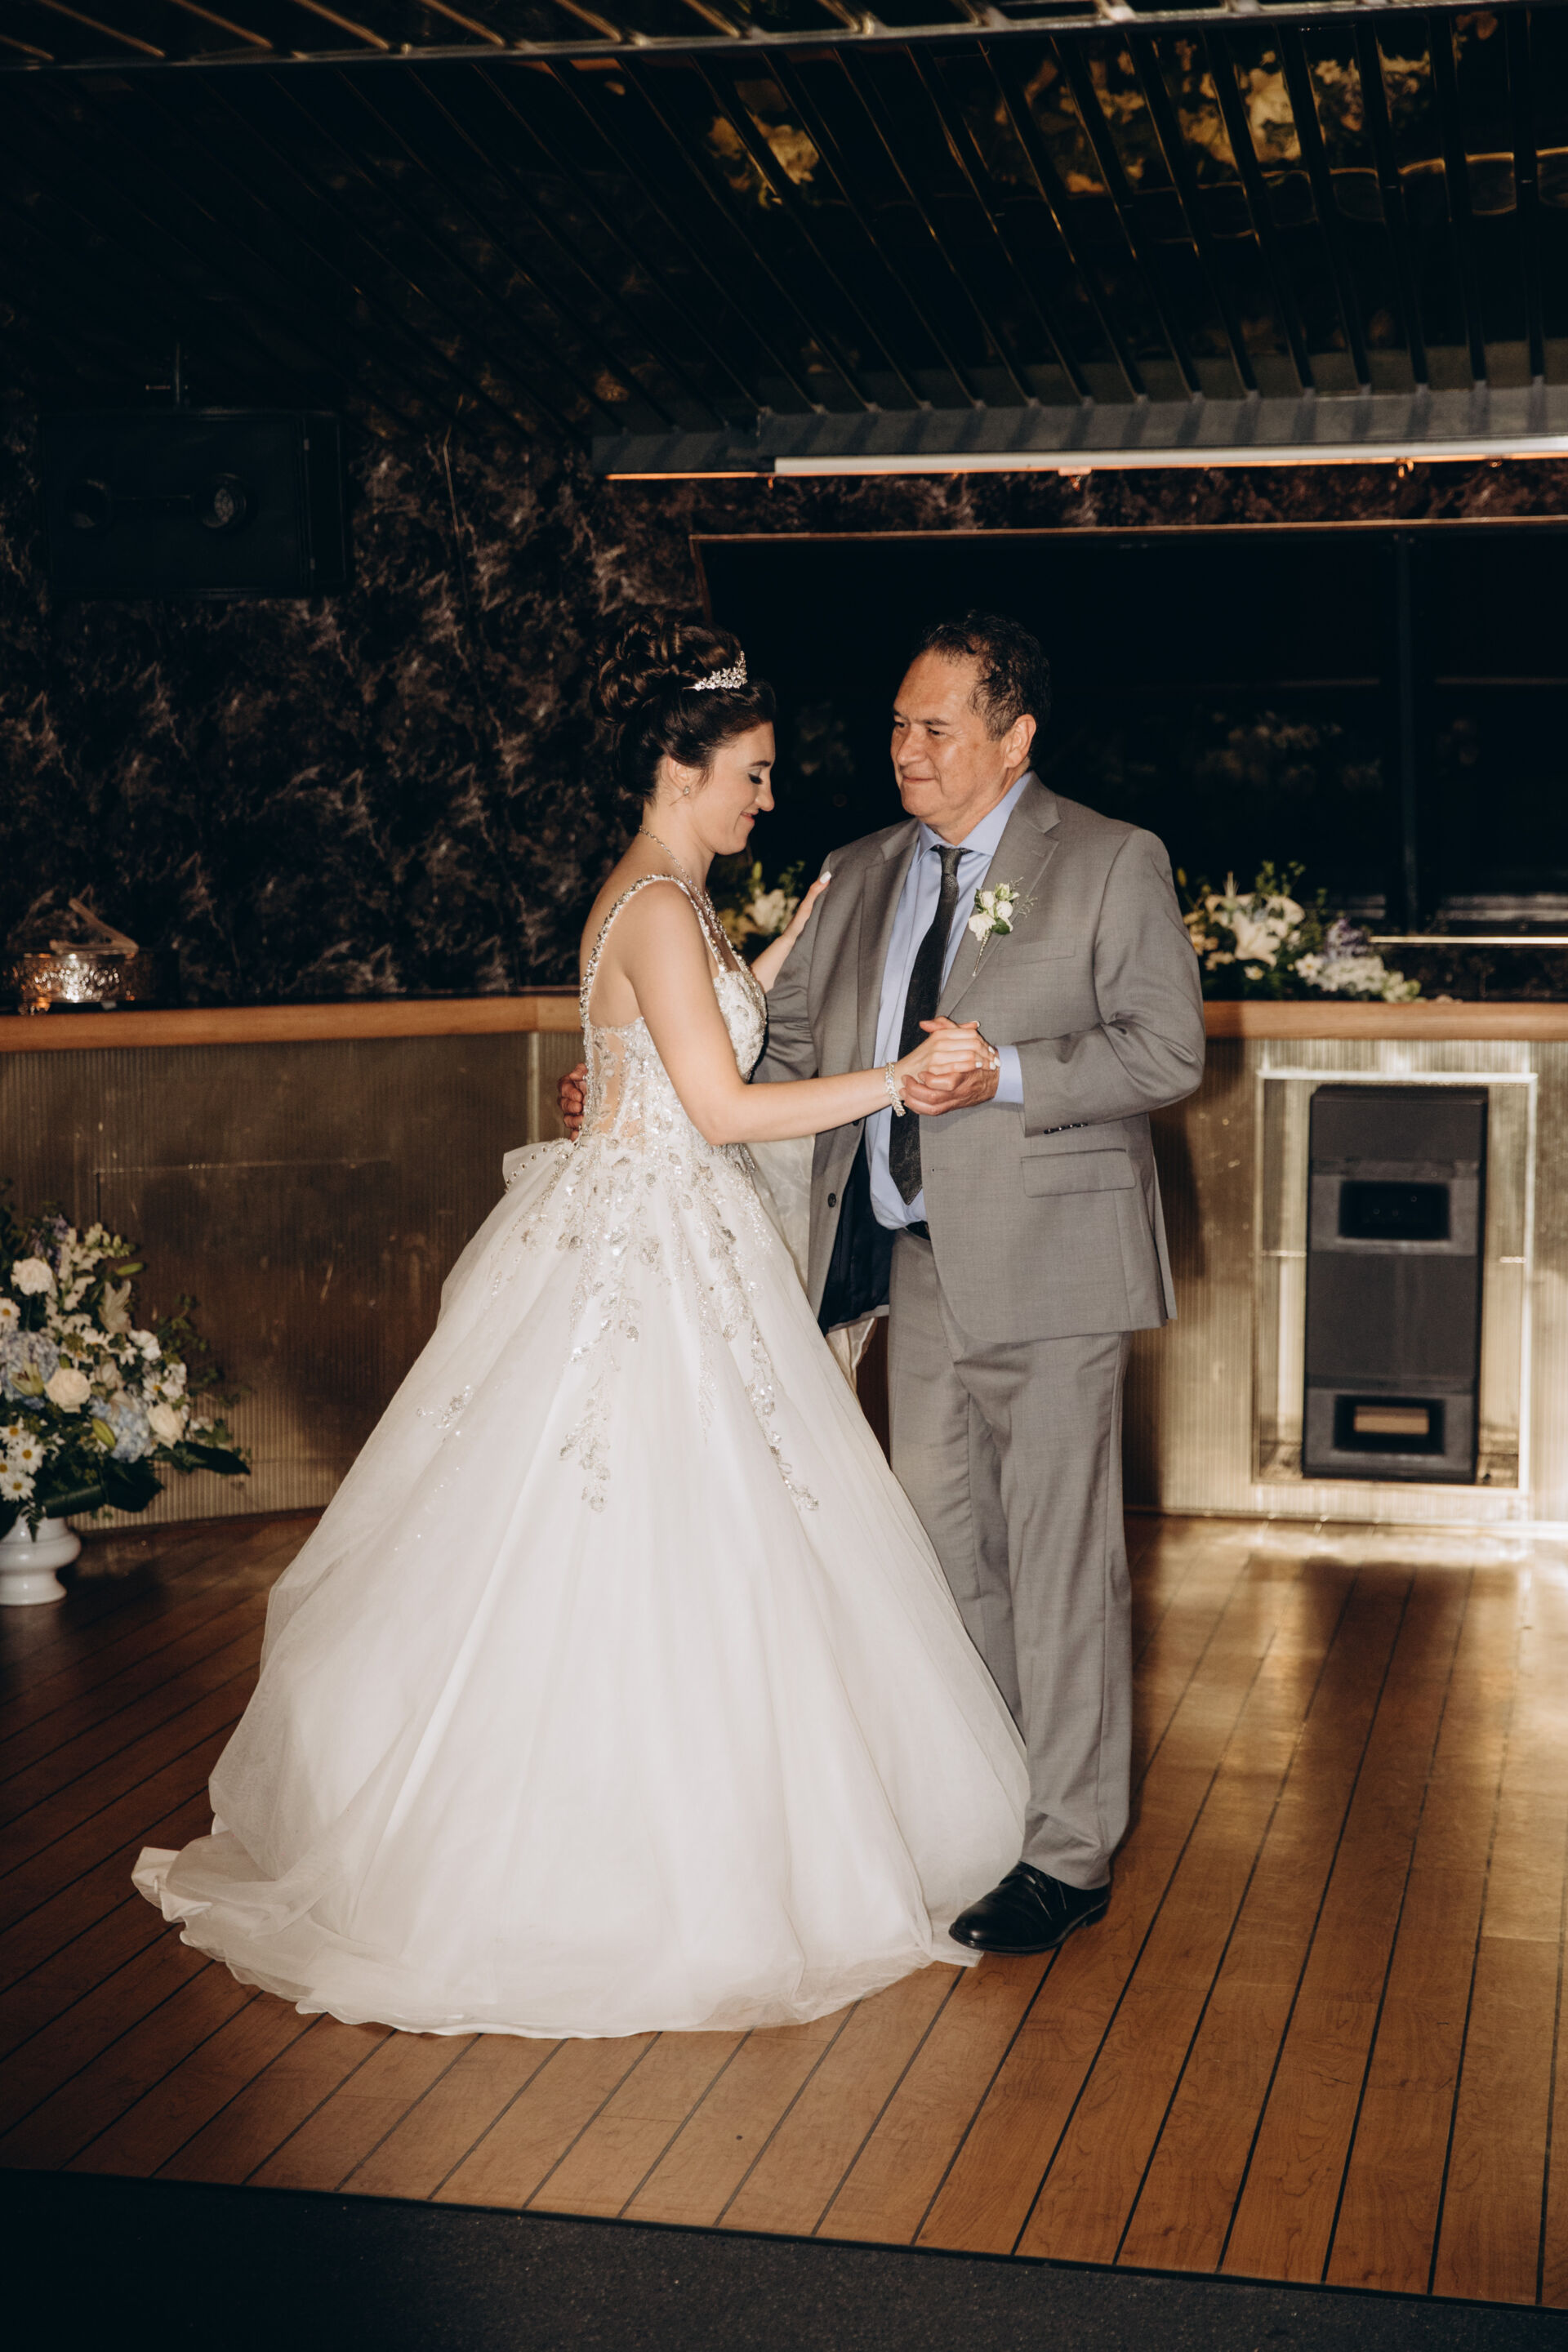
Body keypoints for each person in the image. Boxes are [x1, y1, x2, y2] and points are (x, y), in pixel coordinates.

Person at [132, 614, 1027, 2040]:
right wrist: (896, 1085)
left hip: (668, 1232)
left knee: (709, 1538)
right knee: (636, 1542)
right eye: (753, 772)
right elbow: (717, 1107)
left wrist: (780, 957)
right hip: (647, 1247)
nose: (769, 796)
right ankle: (603, 1871)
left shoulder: (675, 899)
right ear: (684, 767)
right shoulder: (659, 907)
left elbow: (675, 1056)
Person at [564, 610, 1205, 1957]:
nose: (906, 750)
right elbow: (777, 1059)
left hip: (1057, 1274)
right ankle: (992, 1805)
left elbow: (1166, 1051)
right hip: (910, 1270)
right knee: (938, 1560)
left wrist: (1004, 1074)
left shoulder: (1109, 858)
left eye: (937, 729)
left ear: (1015, 737)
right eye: (899, 725)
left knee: (1061, 1566)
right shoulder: (857, 872)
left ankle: (1069, 1852)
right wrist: (640, 1093)